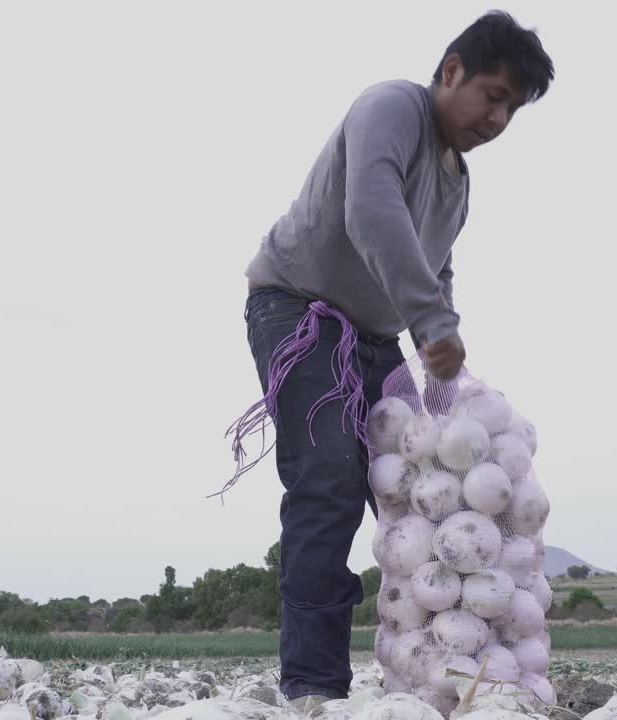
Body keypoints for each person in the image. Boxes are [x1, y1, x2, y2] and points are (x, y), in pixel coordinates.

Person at [224, 10, 554, 715]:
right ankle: (313, 687)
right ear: (452, 70)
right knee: (328, 488)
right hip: (300, 312)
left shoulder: (458, 180)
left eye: (512, 110)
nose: (497, 118)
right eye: (492, 95)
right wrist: (435, 322)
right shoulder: (391, 107)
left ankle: (453, 678)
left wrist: (441, 380)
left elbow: (437, 271)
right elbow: (371, 210)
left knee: (425, 497)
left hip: (376, 340)